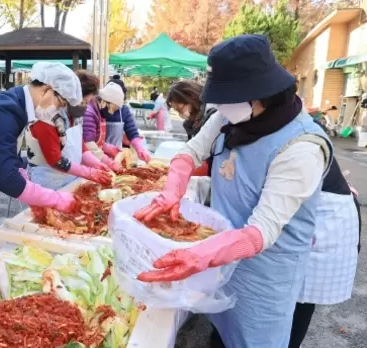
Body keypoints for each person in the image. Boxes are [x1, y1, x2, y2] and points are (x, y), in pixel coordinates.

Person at [134, 35, 333, 348]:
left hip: (264, 275)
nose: (219, 105)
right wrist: (172, 191)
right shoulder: (229, 118)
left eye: (227, 96)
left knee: (252, 340)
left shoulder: (302, 147)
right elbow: (189, 153)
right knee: (221, 331)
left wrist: (199, 254)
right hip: (223, 259)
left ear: (259, 94)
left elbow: (259, 233)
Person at [0, 62, 81, 242]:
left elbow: (7, 155)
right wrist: (54, 198)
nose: (57, 110)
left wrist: (22, 173)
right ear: (46, 89)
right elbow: (7, 180)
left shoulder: (18, 106)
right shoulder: (5, 111)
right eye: (59, 103)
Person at [287, 125, 360, 348]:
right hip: (306, 214)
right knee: (287, 295)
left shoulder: (300, 139)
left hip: (326, 221)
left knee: (301, 298)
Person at [27, 70, 113, 190]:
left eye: (88, 103)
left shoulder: (75, 116)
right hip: (46, 182)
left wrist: (97, 164)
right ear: (70, 96)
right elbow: (55, 160)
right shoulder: (46, 116)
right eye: (83, 102)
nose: (85, 107)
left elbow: (80, 146)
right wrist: (89, 172)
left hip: (70, 178)